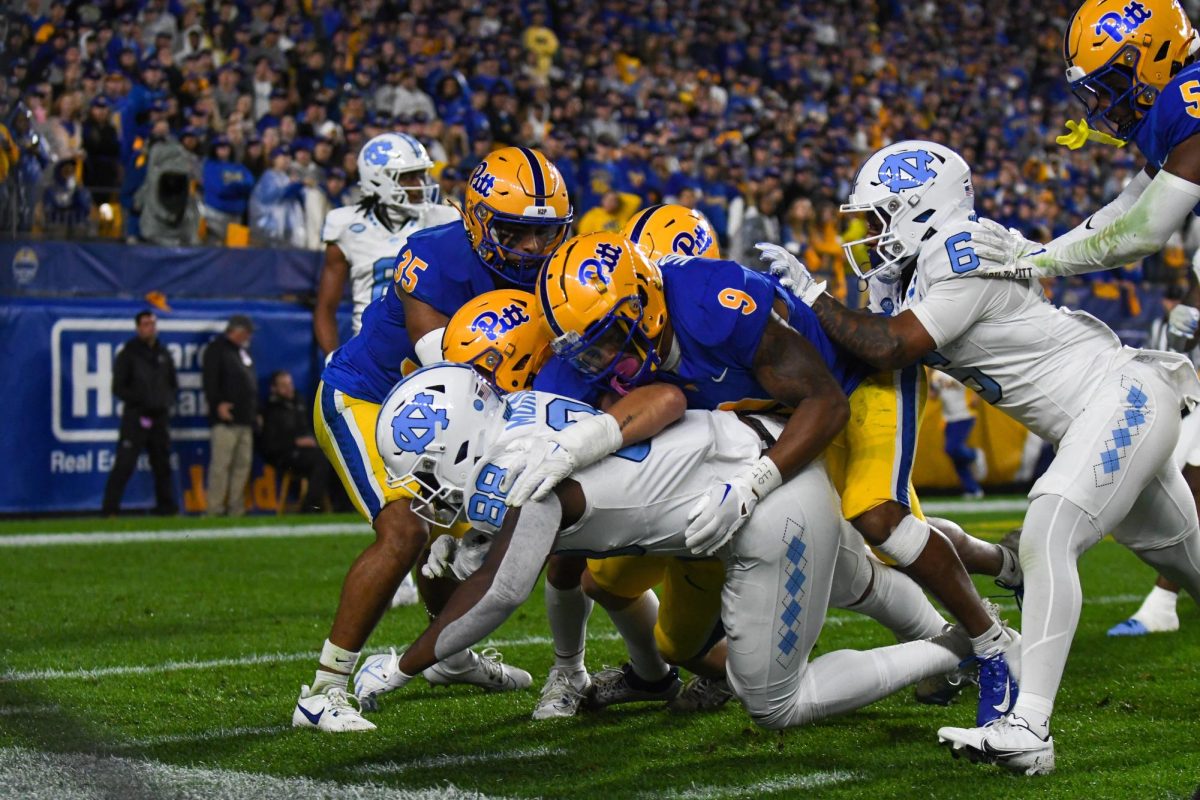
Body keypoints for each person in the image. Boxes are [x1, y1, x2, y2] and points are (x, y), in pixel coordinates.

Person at [762, 139, 1200, 775]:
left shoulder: (960, 248)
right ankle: (1014, 609)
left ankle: (1030, 726)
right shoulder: (916, 267)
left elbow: (890, 346)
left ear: (922, 207)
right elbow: (874, 345)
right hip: (1099, 418)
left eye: (882, 216)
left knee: (1049, 529)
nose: (871, 233)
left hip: (1122, 394)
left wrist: (814, 296)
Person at [522, 230, 1021, 727]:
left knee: (881, 521)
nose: (601, 360)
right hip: (777, 420)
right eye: (588, 349)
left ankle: (988, 639)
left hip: (852, 385)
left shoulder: (713, 302)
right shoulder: (610, 349)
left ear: (645, 302)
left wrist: (754, 483)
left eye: (608, 339)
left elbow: (825, 404)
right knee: (652, 606)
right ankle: (965, 621)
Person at [350, 364, 977, 734]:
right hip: (755, 459)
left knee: (775, 704)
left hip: (763, 503)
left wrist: (402, 666)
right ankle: (966, 645)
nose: (430, 494)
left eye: (430, 474)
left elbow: (499, 594)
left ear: (461, 446)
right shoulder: (527, 411)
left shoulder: (524, 477)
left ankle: (951, 649)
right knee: (853, 582)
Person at [312, 132, 461, 355]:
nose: (419, 184)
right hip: (369, 358)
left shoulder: (445, 221)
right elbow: (325, 308)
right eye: (409, 177)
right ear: (378, 179)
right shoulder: (347, 226)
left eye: (421, 175)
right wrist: (332, 358)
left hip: (430, 351)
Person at [102, 310, 178, 516]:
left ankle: (166, 507)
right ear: (138, 328)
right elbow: (118, 387)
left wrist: (164, 401)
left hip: (159, 418)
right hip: (136, 417)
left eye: (153, 323)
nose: (150, 328)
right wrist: (141, 400)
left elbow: (172, 383)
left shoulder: (164, 354)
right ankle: (110, 509)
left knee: (162, 464)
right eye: (145, 324)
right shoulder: (128, 354)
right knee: (125, 463)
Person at [202, 315, 257, 517]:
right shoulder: (217, 349)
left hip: (245, 418)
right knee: (221, 465)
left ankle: (236, 508)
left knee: (242, 466)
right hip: (226, 419)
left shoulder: (241, 352)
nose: (249, 337)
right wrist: (217, 404)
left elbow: (248, 384)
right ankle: (214, 508)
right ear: (238, 331)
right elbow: (209, 379)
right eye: (247, 332)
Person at [261, 370, 330, 513]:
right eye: (283, 385)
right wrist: (295, 442)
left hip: (307, 451)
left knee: (333, 458)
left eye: (290, 384)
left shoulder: (299, 402)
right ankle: (309, 508)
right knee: (321, 461)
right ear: (274, 389)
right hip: (285, 455)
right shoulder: (271, 409)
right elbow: (270, 444)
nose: (289, 388)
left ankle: (342, 505)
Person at [930, 372, 986, 499]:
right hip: (948, 419)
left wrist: (975, 397)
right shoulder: (936, 375)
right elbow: (932, 396)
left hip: (964, 415)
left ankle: (974, 454)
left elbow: (976, 383)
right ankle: (973, 489)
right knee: (955, 457)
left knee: (951, 448)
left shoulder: (958, 368)